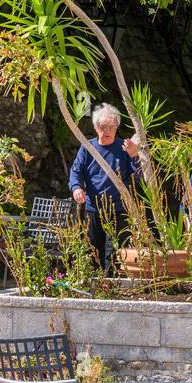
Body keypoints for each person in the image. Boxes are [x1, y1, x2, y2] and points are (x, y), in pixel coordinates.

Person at [68, 103, 138, 270]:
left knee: (115, 252)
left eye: (111, 126)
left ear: (117, 126)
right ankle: (96, 287)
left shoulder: (124, 148)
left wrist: (134, 155)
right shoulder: (88, 148)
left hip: (119, 209)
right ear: (95, 126)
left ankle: (112, 286)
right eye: (103, 126)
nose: (107, 130)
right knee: (93, 250)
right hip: (93, 208)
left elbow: (140, 176)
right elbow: (76, 171)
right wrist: (76, 188)